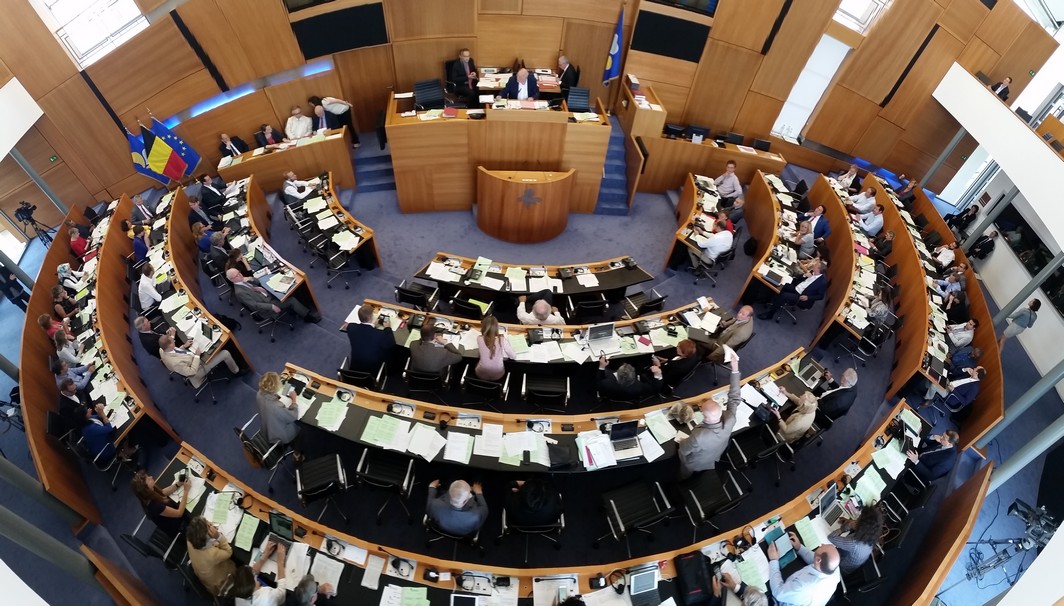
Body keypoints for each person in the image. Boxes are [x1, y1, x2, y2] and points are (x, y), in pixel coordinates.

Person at [678, 354, 741, 478]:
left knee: (683, 472)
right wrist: (735, 370)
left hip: (694, 462)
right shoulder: (730, 419)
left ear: (705, 417)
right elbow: (734, 398)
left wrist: (681, 442)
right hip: (714, 454)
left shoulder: (699, 437)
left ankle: (681, 481)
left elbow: (684, 449)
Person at [767, 532, 841, 606]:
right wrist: (800, 548)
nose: (822, 544)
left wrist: (774, 561)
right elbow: (814, 559)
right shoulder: (833, 567)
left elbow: (778, 593)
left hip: (784, 599)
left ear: (819, 560)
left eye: (821, 547)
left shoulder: (803, 588)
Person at [228, 269, 321, 323]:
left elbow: (257, 282)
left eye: (239, 272)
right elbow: (255, 305)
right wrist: (271, 306)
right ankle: (307, 317)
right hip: (267, 305)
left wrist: (249, 279)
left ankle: (295, 310)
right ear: (232, 279)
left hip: (266, 295)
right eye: (237, 275)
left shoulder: (243, 280)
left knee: (285, 289)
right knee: (291, 299)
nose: (240, 275)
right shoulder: (239, 292)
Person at [159, 334, 242, 386]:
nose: (174, 340)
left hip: (191, 357)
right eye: (172, 341)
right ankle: (236, 371)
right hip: (198, 370)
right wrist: (197, 356)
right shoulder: (175, 363)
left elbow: (176, 352)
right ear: (169, 346)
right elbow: (191, 372)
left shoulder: (162, 349)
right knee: (225, 353)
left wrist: (184, 346)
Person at [256, 372, 304, 461]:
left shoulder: (259, 393)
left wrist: (276, 397)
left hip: (266, 428)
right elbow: (293, 416)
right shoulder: (276, 407)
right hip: (279, 436)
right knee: (302, 429)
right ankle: (297, 455)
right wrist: (294, 400)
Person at [758, 260, 827, 320]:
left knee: (784, 295)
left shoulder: (822, 282)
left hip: (801, 296)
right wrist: (805, 275)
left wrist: (808, 297)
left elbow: (820, 296)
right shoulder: (812, 272)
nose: (814, 265)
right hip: (797, 288)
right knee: (782, 285)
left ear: (818, 269)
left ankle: (770, 315)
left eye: (816, 265)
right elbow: (800, 280)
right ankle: (769, 300)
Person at [186, 516, 237, 596]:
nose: (210, 524)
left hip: (202, 573)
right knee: (235, 565)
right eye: (209, 525)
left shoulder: (190, 539)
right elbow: (229, 552)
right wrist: (218, 537)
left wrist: (204, 525)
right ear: (208, 539)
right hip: (219, 584)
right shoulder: (212, 554)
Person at [131, 470, 189, 537]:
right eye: (148, 479)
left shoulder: (149, 492)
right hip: (179, 528)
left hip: (174, 516)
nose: (151, 477)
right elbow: (179, 513)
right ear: (146, 489)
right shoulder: (154, 506)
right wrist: (186, 491)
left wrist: (178, 484)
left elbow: (162, 493)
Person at [828, 506, 884, 575]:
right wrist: (850, 523)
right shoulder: (872, 534)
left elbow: (831, 537)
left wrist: (842, 529)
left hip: (839, 568)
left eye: (859, 518)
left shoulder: (854, 544)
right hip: (850, 559)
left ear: (862, 526)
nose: (857, 518)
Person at [346, 305, 395, 372]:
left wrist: (373, 325)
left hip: (355, 368)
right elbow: (391, 343)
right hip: (372, 370)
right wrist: (388, 327)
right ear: (371, 317)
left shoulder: (351, 328)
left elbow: (348, 325)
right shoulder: (380, 335)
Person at [596, 355, 663, 401]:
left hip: (612, 395)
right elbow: (655, 388)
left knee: (607, 370)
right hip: (630, 396)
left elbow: (599, 382)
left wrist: (601, 366)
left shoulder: (606, 383)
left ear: (618, 372)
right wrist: (658, 372)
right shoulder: (640, 386)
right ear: (634, 375)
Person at [249, 540, 295, 606]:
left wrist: (264, 555)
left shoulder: (243, 591)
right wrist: (280, 562)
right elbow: (282, 592)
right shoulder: (265, 597)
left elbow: (253, 572)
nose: (253, 574)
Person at [475, 315, 515, 381]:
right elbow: (513, 356)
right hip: (498, 375)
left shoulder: (479, 338)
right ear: (496, 327)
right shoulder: (502, 339)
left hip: (480, 374)